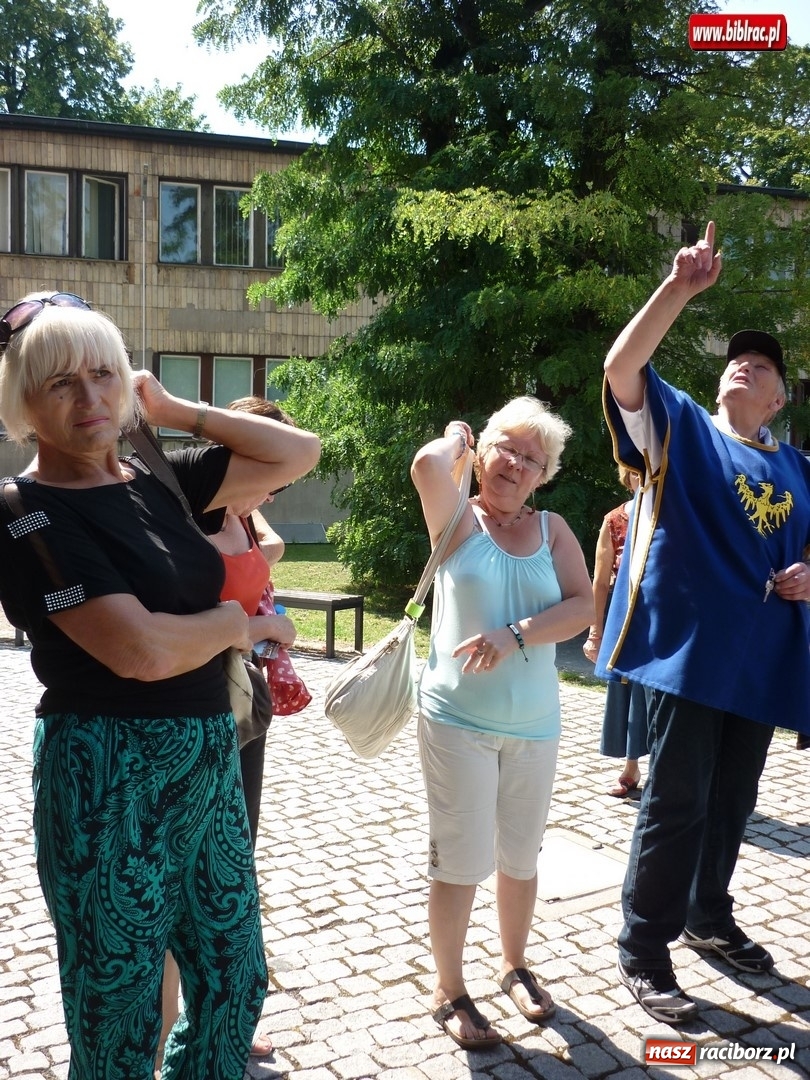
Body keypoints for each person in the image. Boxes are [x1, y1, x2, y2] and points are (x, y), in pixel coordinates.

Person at [0, 291, 320, 1079]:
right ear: (23, 404)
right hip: (107, 773)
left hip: (208, 755)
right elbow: (137, 651)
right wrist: (234, 625)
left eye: (104, 374)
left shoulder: (157, 480)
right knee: (119, 1021)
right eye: (61, 383)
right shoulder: (24, 515)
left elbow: (297, 452)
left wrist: (178, 408)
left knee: (234, 982)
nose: (90, 398)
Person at [596, 222, 810, 1024]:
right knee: (676, 801)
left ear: (779, 400)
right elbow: (622, 367)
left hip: (759, 664)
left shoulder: (798, 470)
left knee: (732, 803)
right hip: (687, 654)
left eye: (764, 366)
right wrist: (679, 288)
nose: (745, 364)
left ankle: (707, 917)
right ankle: (644, 948)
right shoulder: (678, 429)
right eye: (738, 358)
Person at [410, 397, 593, 1049]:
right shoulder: (457, 518)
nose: (515, 463)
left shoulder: (553, 530)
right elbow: (427, 463)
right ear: (483, 452)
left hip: (536, 726)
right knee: (459, 861)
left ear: (545, 474)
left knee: (520, 856)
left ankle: (515, 965)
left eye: (531, 457)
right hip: (456, 721)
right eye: (504, 447)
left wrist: (517, 633)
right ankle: (449, 989)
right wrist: (458, 434)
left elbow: (584, 605)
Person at [157, 397, 302, 1069]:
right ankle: (159, 1036)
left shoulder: (245, 517)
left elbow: (266, 545)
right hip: (192, 708)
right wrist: (265, 628)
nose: (276, 485)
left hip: (244, 708)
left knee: (231, 866)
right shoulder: (179, 514)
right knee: (177, 876)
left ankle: (222, 1016)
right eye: (264, 471)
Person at [582, 465, 648, 796]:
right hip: (625, 624)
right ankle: (631, 767)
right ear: (628, 476)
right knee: (627, 695)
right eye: (636, 471)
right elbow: (600, 582)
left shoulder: (674, 515)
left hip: (662, 624)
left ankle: (669, 770)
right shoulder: (614, 520)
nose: (642, 477)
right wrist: (596, 634)